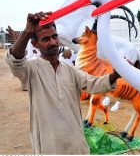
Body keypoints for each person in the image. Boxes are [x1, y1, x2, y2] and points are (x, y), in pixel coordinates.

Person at [5, 11, 121, 154]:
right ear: (35, 44)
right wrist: (28, 32)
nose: (53, 42)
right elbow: (15, 61)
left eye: (54, 37)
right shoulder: (31, 70)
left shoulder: (70, 70)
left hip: (76, 146)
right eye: (46, 39)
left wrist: (115, 75)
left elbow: (94, 84)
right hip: (49, 148)